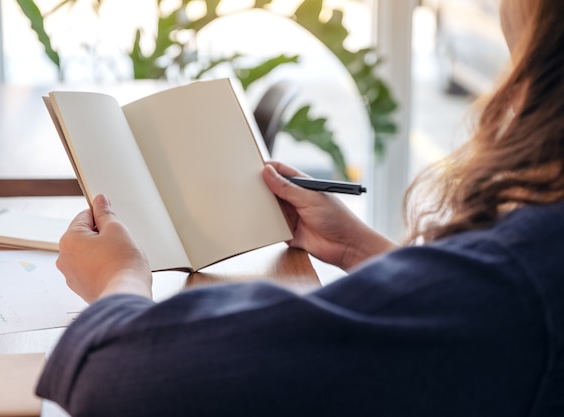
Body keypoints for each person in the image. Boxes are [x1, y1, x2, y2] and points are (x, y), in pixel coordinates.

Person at [36, 0, 564, 415]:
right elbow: (458, 331)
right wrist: (359, 247)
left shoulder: (523, 280)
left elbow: (124, 379)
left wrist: (117, 280)